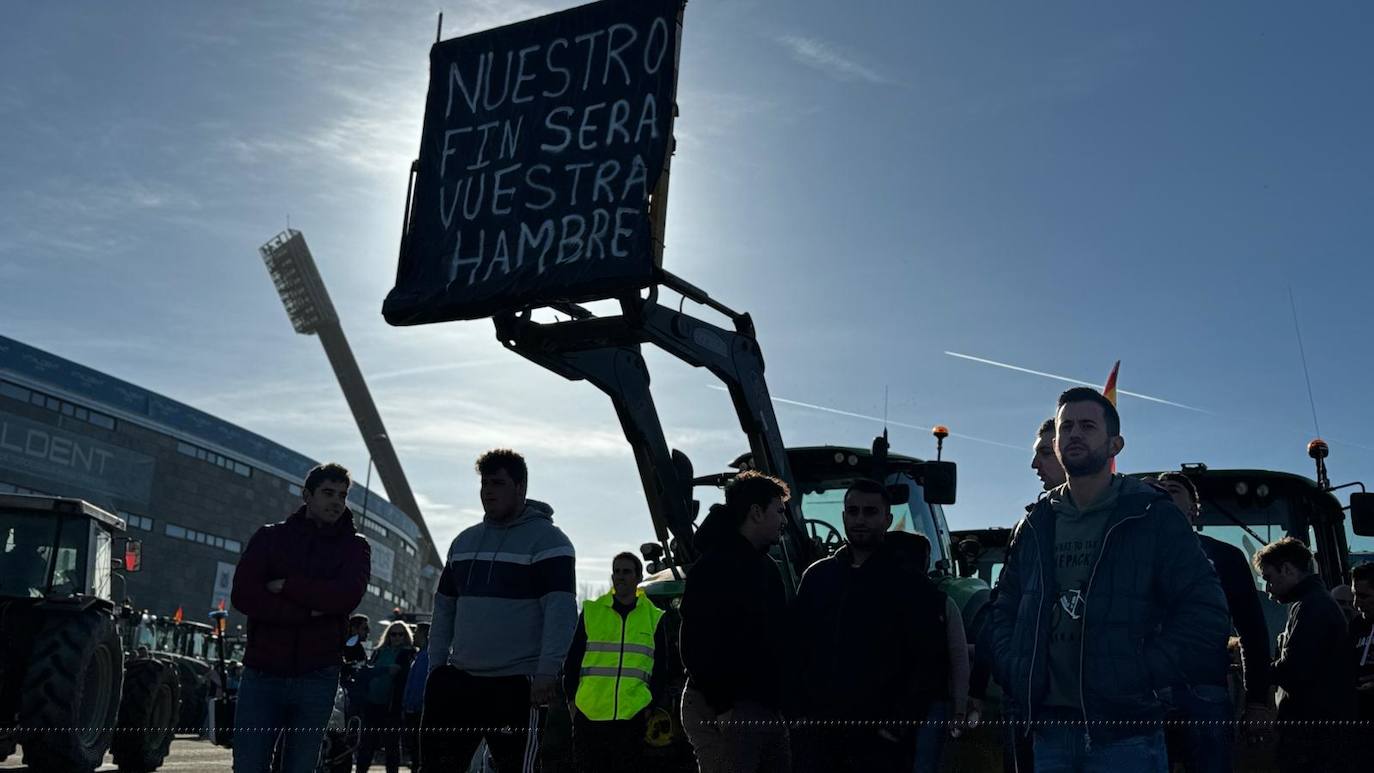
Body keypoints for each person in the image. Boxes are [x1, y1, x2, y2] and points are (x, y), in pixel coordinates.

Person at [986, 387, 1229, 773]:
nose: (1074, 435)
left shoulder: (1152, 516)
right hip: (1048, 730)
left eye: (1087, 426)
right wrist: (1013, 665)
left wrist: (1141, 672)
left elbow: (1207, 613)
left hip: (1125, 732)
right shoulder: (1034, 524)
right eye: (1066, 427)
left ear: (1115, 443)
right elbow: (1005, 608)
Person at [422, 449, 576, 773]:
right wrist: (436, 668)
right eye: (483, 484)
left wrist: (548, 671)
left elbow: (560, 613)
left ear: (520, 488)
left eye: (497, 483)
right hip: (459, 682)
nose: (487, 491)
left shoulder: (550, 542)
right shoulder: (462, 543)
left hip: (517, 686)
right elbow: (444, 608)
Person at [788, 481, 942, 772]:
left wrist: (900, 723)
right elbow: (795, 648)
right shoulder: (817, 578)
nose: (860, 519)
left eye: (870, 512)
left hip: (880, 741)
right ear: (843, 516)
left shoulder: (910, 584)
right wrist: (798, 713)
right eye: (853, 511)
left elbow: (928, 659)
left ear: (887, 519)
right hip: (819, 736)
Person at [230, 463, 371, 773]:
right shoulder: (270, 538)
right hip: (263, 672)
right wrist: (310, 610)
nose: (336, 501)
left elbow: (345, 596)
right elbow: (244, 595)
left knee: (301, 766)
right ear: (307, 495)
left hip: (317, 674)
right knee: (249, 765)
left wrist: (287, 586)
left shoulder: (355, 547)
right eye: (328, 493)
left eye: (342, 495)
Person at [1153, 471, 1273, 773]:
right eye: (1158, 490)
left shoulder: (1225, 557)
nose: (1164, 493)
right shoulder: (1127, 556)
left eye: (1174, 489)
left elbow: (1252, 630)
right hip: (1143, 690)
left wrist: (1257, 700)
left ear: (1195, 508)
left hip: (1204, 688)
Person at [680, 471, 792, 773]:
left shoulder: (767, 568)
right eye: (779, 511)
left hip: (762, 706)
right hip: (727, 708)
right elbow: (696, 642)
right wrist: (723, 706)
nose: (784, 521)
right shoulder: (714, 567)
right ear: (756, 512)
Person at [969, 417, 1060, 773]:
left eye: (1042, 453)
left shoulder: (1121, 523)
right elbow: (1002, 607)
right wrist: (1009, 671)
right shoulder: (1030, 526)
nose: (1034, 464)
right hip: (1026, 695)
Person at [1254, 537, 1356, 772]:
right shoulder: (1312, 603)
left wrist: (1257, 671)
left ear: (1287, 569)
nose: (1267, 590)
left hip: (1312, 736)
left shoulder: (1312, 607)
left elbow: (1295, 669)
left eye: (1268, 578)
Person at [563, 551, 669, 773]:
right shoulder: (592, 611)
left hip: (630, 718)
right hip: (589, 716)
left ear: (638, 578)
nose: (620, 577)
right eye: (617, 572)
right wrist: (572, 702)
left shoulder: (654, 617)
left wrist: (649, 707)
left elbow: (660, 668)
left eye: (627, 572)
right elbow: (572, 661)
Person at [356, 622, 416, 773]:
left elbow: (405, 678)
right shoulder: (379, 651)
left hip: (391, 706)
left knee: (392, 747)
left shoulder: (408, 653)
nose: (396, 637)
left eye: (400, 634)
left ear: (406, 636)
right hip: (372, 703)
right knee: (366, 745)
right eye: (393, 634)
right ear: (388, 635)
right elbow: (367, 672)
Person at [1350, 563, 1374, 743]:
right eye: (1355, 595)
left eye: (1364, 597)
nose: (1356, 604)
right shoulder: (1356, 625)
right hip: (1359, 718)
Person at [401, 623, 429, 772]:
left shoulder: (424, 657)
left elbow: (418, 685)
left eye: (417, 632)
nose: (414, 635)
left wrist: (410, 706)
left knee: (416, 750)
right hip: (415, 708)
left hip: (416, 710)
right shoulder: (421, 655)